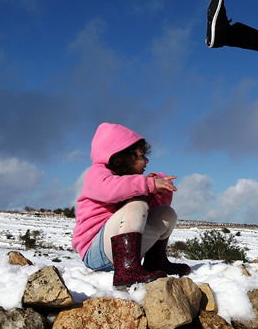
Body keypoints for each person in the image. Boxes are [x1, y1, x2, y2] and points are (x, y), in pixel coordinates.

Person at [72, 122, 191, 287]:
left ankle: (155, 262)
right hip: (95, 252)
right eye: (141, 156)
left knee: (166, 213)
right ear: (121, 157)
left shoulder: (131, 183)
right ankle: (127, 273)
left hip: (125, 253)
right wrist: (148, 185)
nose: (147, 160)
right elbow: (111, 190)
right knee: (137, 205)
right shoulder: (97, 175)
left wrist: (157, 188)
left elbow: (155, 208)